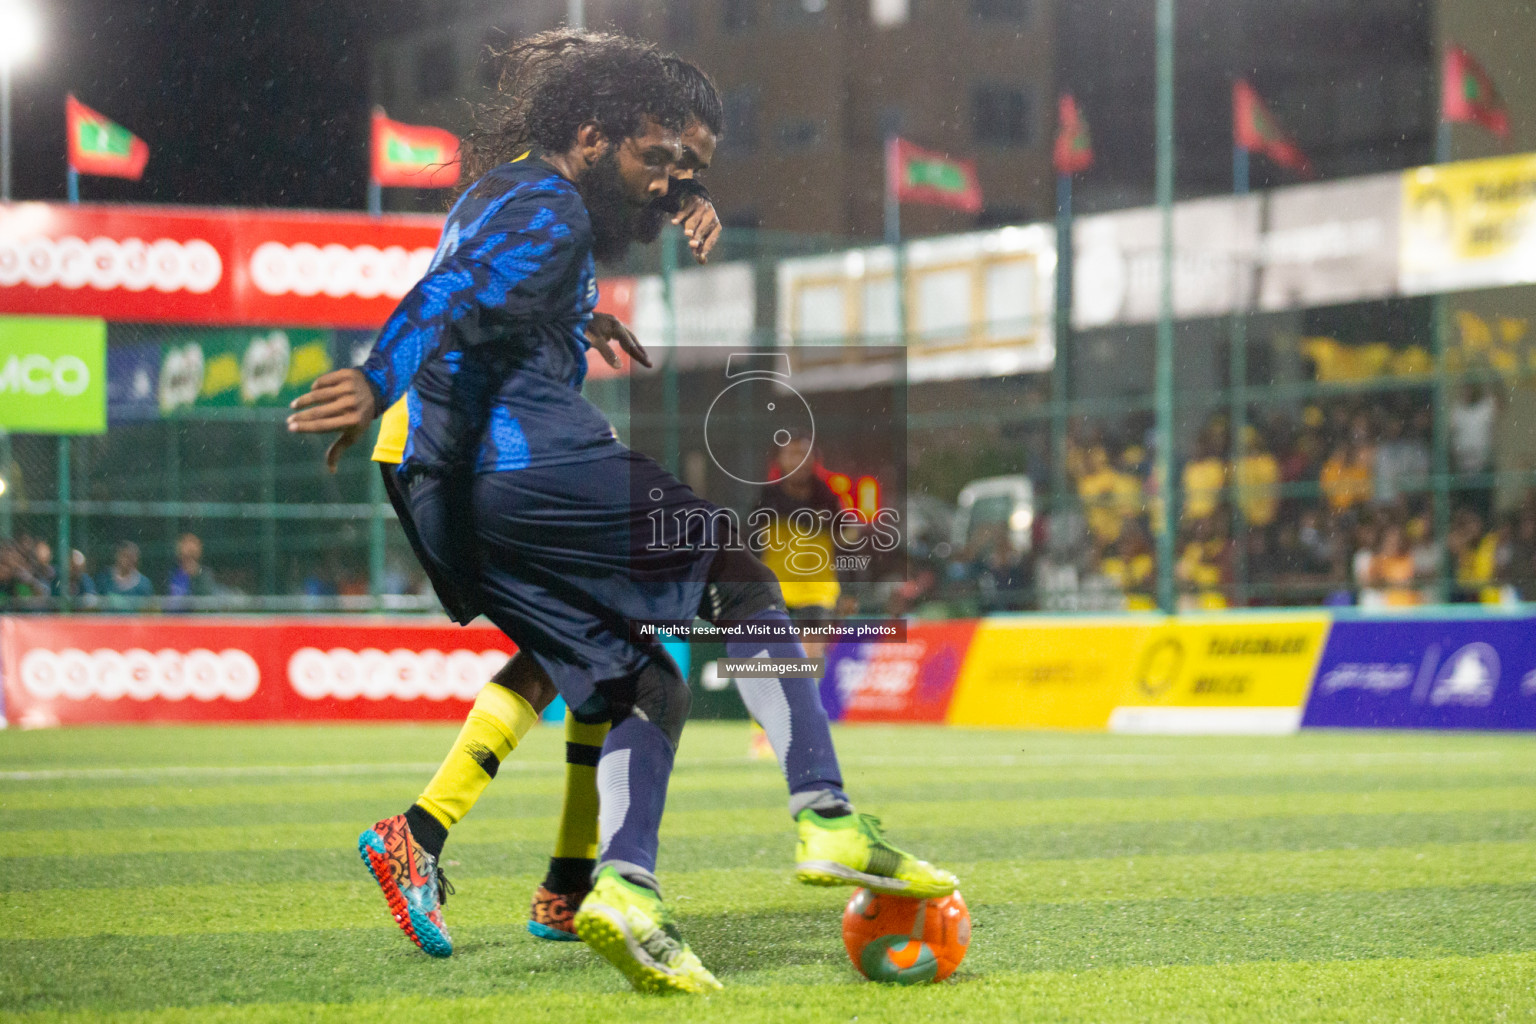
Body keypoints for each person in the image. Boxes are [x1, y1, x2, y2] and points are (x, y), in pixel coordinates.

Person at [288, 31, 952, 995]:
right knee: (732, 569)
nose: (672, 182)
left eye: (692, 168)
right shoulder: (552, 208)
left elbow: (492, 288)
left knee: (639, 679)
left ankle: (613, 888)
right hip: (519, 460)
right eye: (660, 159)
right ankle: (827, 814)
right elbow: (451, 292)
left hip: (443, 486)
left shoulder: (509, 189)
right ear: (593, 134)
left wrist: (583, 310)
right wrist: (371, 373)